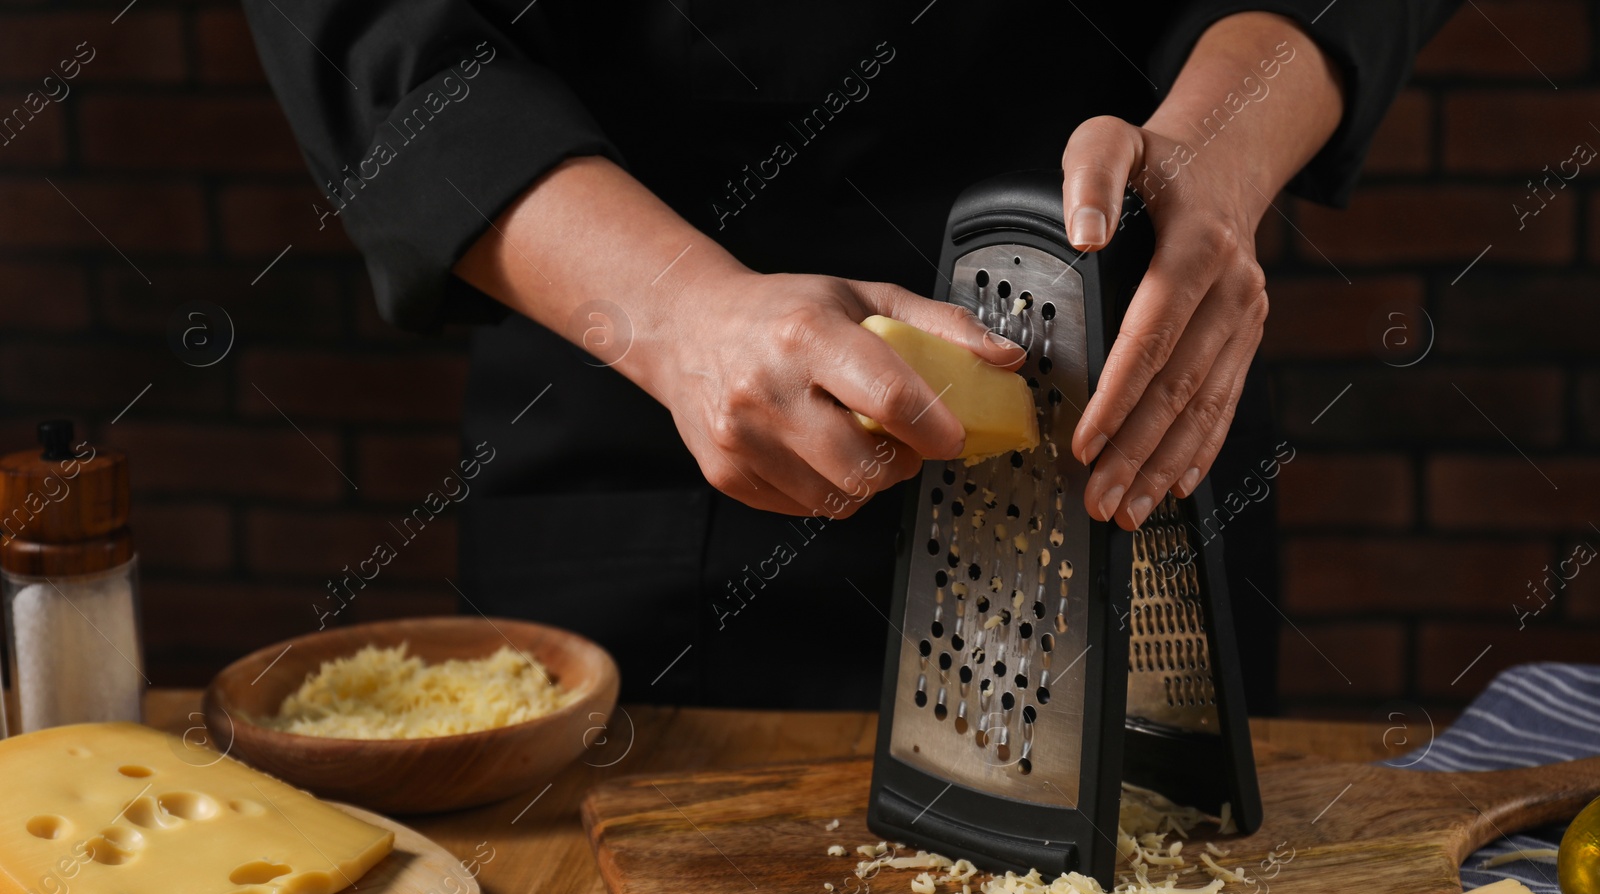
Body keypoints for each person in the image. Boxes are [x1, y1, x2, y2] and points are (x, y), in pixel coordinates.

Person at [243, 2, 1459, 712]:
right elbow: (377, 33)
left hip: (1120, 403)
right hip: (645, 453)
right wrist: (680, 311)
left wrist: (1222, 148)